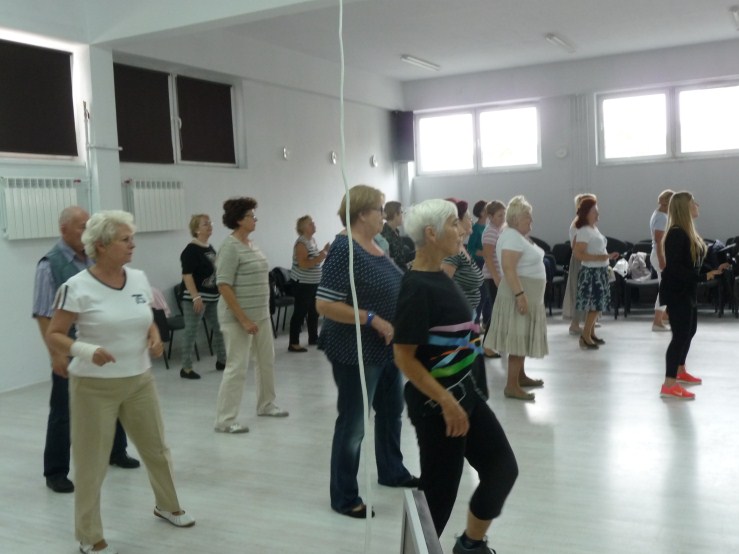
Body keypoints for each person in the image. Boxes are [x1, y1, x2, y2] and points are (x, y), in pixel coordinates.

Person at [45, 210, 194, 554]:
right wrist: (85, 350)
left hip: (139, 380)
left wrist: (153, 335)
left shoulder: (138, 278)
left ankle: (168, 506)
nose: (132, 245)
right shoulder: (76, 287)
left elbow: (145, 318)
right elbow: (55, 334)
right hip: (93, 387)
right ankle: (89, 536)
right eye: (125, 239)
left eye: (132, 238)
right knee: (91, 463)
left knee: (157, 449)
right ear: (101, 245)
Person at [394, 198, 518, 554]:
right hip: (439, 405)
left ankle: (470, 545)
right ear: (431, 234)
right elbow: (403, 357)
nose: (462, 229)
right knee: (438, 497)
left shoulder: (439, 275)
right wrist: (446, 401)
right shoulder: (417, 287)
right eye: (453, 223)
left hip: (464, 395)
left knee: (501, 468)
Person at [316, 184, 418, 518]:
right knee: (354, 424)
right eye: (379, 210)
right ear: (361, 214)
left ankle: (392, 471)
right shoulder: (344, 249)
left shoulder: (374, 245)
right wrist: (372, 319)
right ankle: (344, 497)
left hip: (386, 349)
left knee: (391, 412)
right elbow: (325, 304)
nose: (383, 216)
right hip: (355, 351)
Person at [32, 206, 139, 495]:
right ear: (63, 229)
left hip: (103, 345)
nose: (87, 230)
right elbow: (43, 314)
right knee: (63, 412)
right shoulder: (50, 264)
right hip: (71, 348)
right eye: (81, 226)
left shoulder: (96, 257)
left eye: (89, 224)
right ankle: (55, 471)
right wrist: (56, 354)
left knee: (114, 399)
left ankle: (117, 451)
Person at [214, 197, 288, 433]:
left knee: (266, 360)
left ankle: (266, 404)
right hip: (237, 318)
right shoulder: (230, 247)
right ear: (239, 220)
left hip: (261, 314)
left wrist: (258, 315)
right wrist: (244, 319)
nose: (255, 219)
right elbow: (224, 285)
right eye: (251, 216)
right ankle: (225, 420)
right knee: (237, 366)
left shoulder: (251, 244)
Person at [659, 192, 728, 400]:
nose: (697, 205)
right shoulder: (676, 234)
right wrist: (703, 277)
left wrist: (713, 270)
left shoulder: (686, 232)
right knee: (679, 336)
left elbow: (693, 263)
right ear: (685, 208)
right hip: (677, 292)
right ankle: (669, 384)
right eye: (693, 202)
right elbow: (676, 269)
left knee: (690, 331)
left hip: (686, 290)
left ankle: (680, 370)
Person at [484, 196, 546, 401]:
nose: (531, 220)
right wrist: (520, 296)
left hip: (527, 293)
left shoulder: (516, 236)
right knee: (518, 339)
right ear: (517, 218)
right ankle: (511, 386)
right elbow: (509, 268)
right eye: (528, 217)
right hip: (519, 294)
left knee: (522, 336)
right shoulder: (511, 237)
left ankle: (520, 377)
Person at [441, 198, 487, 398]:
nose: (471, 220)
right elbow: (443, 287)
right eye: (467, 216)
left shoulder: (462, 248)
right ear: (456, 221)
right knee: (461, 375)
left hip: (469, 320)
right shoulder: (452, 252)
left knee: (474, 374)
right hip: (457, 323)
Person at [179, 213, 227, 379]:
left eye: (210, 223)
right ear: (197, 229)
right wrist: (195, 297)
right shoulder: (190, 250)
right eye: (205, 224)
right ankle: (186, 368)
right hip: (195, 298)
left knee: (219, 328)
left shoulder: (209, 248)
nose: (210, 226)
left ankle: (222, 360)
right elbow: (187, 275)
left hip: (212, 297)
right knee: (191, 332)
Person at [573, 198, 619, 350]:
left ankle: (591, 333)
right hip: (592, 272)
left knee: (597, 305)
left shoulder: (593, 228)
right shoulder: (584, 231)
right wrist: (602, 257)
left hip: (600, 270)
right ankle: (585, 336)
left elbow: (597, 248)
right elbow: (578, 254)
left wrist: (607, 257)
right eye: (595, 211)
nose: (598, 214)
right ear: (587, 213)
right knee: (595, 306)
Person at [288, 215, 329, 352]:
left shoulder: (312, 240)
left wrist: (323, 252)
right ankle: (293, 342)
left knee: (314, 311)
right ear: (303, 228)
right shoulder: (301, 243)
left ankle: (313, 338)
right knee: (300, 312)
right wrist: (321, 256)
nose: (314, 225)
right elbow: (303, 264)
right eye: (310, 224)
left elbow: (314, 259)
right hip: (303, 283)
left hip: (313, 282)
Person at [562, 193, 597, 335]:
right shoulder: (577, 224)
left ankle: (589, 320)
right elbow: (576, 246)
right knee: (580, 292)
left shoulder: (587, 223)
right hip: (580, 261)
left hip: (589, 259)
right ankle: (575, 324)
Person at [480, 200, 507, 358]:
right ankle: (487, 346)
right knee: (497, 312)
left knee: (502, 311)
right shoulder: (490, 231)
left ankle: (498, 341)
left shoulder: (498, 230)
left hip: (499, 275)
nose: (503, 218)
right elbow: (488, 257)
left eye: (504, 214)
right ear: (490, 217)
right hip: (492, 277)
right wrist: (496, 277)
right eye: (499, 215)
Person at [649, 190, 674, 332]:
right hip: (660, 256)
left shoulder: (660, 215)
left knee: (665, 287)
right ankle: (657, 322)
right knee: (664, 289)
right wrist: (662, 261)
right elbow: (659, 242)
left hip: (660, 255)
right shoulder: (661, 218)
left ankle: (663, 317)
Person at [380, 200, 414, 270]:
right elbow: (395, 262)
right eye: (401, 212)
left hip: (403, 266)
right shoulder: (385, 235)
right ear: (395, 214)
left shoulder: (396, 231)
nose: (403, 215)